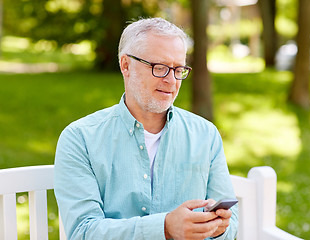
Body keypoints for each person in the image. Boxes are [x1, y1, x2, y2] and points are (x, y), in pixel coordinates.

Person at [54, 17, 238, 240]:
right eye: (159, 68)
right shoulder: (79, 139)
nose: (171, 80)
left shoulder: (206, 135)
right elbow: (83, 232)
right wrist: (165, 227)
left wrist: (218, 227)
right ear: (125, 65)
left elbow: (231, 224)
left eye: (178, 69)